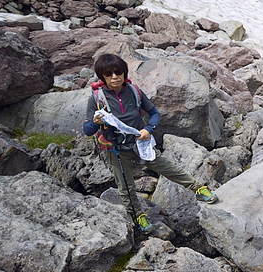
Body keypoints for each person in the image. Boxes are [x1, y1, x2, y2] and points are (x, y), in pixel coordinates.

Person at [83, 53, 218, 234]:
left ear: (124, 72)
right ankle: (138, 216)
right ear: (101, 76)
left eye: (118, 72)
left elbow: (154, 113)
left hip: (140, 143)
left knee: (166, 167)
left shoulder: (134, 91)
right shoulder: (97, 99)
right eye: (108, 74)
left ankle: (198, 189)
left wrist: (149, 129)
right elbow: (87, 130)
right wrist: (95, 123)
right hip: (114, 149)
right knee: (126, 186)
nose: (114, 77)